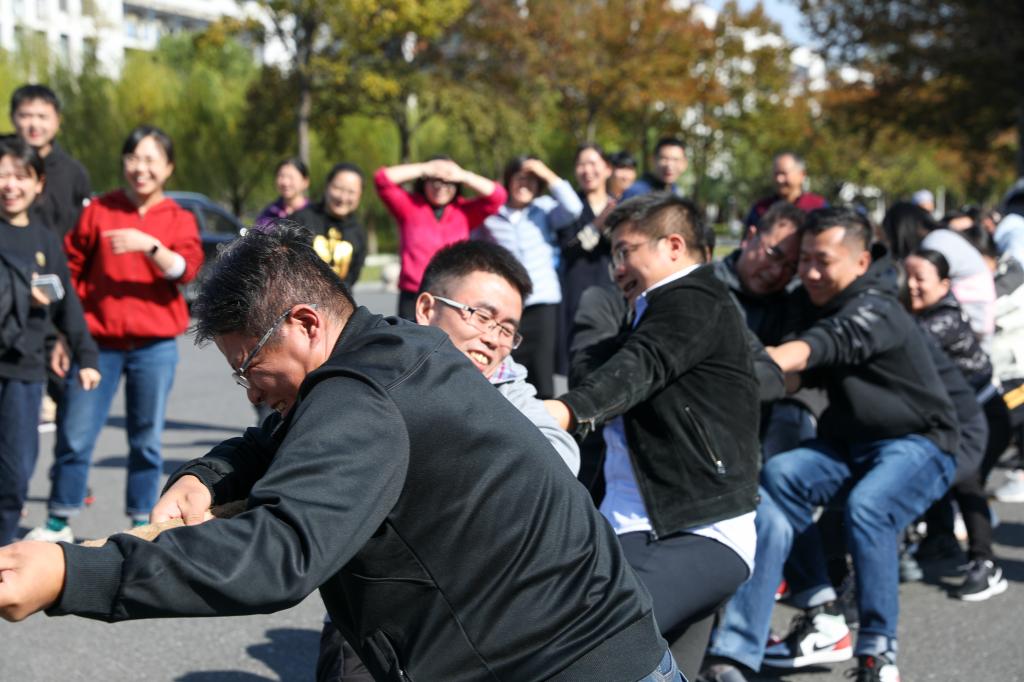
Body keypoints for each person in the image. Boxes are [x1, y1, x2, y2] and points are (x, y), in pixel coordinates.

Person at [0, 222, 683, 682]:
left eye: (250, 367)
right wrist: (208, 477)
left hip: (567, 664)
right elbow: (278, 439)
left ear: (304, 323)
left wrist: (71, 573)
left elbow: (278, 553)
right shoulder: (390, 348)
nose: (249, 391)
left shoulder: (363, 396)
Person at [317, 239, 581, 681]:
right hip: (374, 612)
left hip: (470, 621)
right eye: (481, 316)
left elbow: (560, 460)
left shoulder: (509, 390)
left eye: (508, 329)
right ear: (426, 308)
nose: (493, 339)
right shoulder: (367, 374)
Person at [546, 193, 761, 681]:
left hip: (696, 530)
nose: (617, 268)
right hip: (640, 526)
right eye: (613, 256)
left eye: (626, 251)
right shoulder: (645, 310)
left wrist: (558, 412)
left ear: (673, 246)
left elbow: (640, 367)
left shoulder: (694, 297)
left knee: (589, 642)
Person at [758, 207, 958, 681]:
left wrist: (761, 361)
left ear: (861, 262)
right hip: (851, 447)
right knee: (781, 474)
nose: (810, 272)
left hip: (920, 444)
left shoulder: (879, 305)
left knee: (869, 507)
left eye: (823, 261)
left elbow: (827, 343)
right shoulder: (808, 301)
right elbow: (797, 375)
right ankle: (822, 611)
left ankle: (877, 654)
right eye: (804, 259)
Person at [25, 125, 203, 543]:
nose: (141, 168)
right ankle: (59, 519)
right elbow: (69, 270)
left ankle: (142, 522)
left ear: (168, 167)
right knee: (76, 432)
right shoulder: (100, 210)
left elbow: (186, 270)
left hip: (154, 345)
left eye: (151, 160)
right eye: (133, 158)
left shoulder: (178, 217)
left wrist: (149, 245)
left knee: (146, 439)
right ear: (123, 163)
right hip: (95, 344)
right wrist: (64, 334)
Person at [0, 136, 98, 547]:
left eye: (20, 176)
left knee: (16, 470)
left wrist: (86, 355)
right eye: (2, 175)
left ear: (38, 183)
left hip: (25, 370)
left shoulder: (44, 239)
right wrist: (24, 294)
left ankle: (4, 550)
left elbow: (67, 303)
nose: (10, 185)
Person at [904, 249, 1010, 600]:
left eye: (920, 278)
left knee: (966, 480)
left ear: (944, 284)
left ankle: (985, 563)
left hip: (986, 416)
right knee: (938, 467)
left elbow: (907, 347)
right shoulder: (920, 314)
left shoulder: (942, 320)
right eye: (906, 277)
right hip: (952, 417)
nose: (911, 285)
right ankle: (941, 538)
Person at [474, 156, 582, 397]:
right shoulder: (492, 215)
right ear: (508, 180)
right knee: (503, 367)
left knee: (542, 372)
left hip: (542, 302)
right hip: (505, 305)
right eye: (519, 178)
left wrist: (544, 171)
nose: (525, 184)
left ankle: (543, 418)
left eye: (532, 180)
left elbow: (574, 208)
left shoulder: (544, 210)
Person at [374, 157, 506, 320]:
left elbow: (498, 196)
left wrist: (463, 175)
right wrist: (424, 168)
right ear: (424, 182)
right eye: (434, 180)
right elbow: (382, 179)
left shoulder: (465, 212)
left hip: (453, 294)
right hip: (413, 295)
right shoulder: (409, 207)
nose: (440, 187)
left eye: (447, 182)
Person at [557, 143, 616, 371]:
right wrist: (598, 223)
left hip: (611, 290)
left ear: (607, 168)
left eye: (593, 163)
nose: (587, 170)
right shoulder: (569, 207)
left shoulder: (619, 206)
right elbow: (568, 247)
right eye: (581, 164)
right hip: (575, 290)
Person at [9, 84, 91, 237]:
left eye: (42, 117)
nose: (34, 125)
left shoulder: (74, 173)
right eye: (25, 116)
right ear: (12, 117)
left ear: (57, 120)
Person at [291, 163, 367, 288]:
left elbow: (352, 277)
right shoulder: (300, 219)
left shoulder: (358, 233)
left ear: (360, 195)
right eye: (338, 188)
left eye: (351, 192)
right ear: (327, 186)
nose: (343, 197)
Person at [744, 152, 826, 230]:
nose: (779, 179)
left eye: (784, 173)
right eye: (776, 174)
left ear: (802, 175)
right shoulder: (761, 209)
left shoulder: (818, 206)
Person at [620, 137, 687, 200]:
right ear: (653, 160)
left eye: (675, 160)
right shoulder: (635, 193)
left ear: (684, 163)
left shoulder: (678, 194)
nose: (669, 165)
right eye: (664, 158)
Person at [255, 158, 310, 226]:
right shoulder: (269, 214)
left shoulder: (314, 213)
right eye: (281, 176)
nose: (285, 182)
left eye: (291, 177)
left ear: (305, 182)